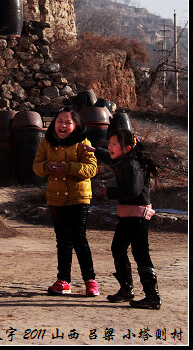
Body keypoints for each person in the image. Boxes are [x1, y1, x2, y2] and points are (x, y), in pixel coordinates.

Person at [87, 128, 161, 309]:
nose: (110, 148)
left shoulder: (131, 165)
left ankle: (152, 296)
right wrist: (96, 151)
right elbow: (109, 158)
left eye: (114, 145)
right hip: (128, 216)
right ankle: (127, 289)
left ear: (127, 148)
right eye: (110, 144)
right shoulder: (123, 161)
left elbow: (133, 191)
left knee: (140, 253)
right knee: (118, 248)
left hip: (138, 217)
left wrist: (109, 192)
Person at [33, 106, 99, 296]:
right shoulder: (47, 142)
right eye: (59, 121)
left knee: (79, 237)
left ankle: (90, 281)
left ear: (75, 125)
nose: (62, 125)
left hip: (79, 197)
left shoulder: (83, 143)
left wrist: (68, 167)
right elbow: (36, 166)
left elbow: (91, 169)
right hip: (56, 198)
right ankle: (64, 280)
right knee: (62, 240)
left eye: (67, 122)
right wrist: (48, 166)